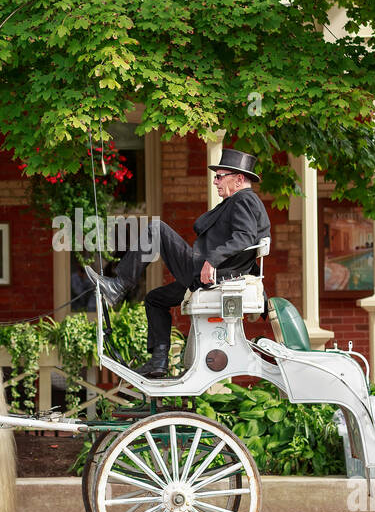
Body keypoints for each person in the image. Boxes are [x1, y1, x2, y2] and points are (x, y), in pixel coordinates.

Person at [87, 148, 271, 377]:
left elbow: (244, 237)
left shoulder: (244, 200)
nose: (215, 182)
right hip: (215, 273)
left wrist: (212, 261)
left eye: (220, 176)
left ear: (239, 179)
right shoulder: (241, 201)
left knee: (157, 229)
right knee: (155, 299)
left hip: (213, 274)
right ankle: (158, 362)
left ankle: (118, 285)